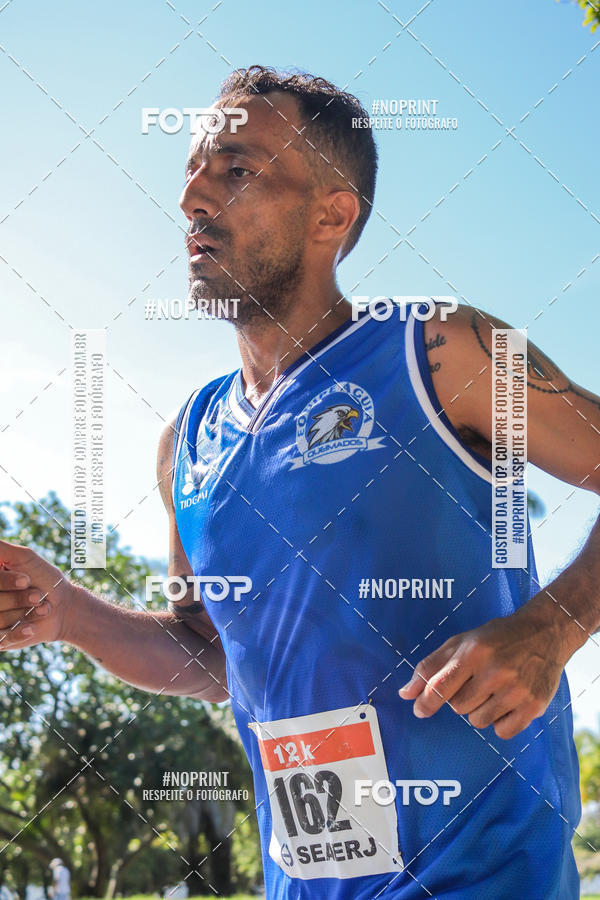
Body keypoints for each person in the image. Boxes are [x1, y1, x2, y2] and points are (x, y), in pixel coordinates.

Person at [1, 65, 599, 898]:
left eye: (238, 170)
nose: (193, 201)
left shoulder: (439, 352)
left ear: (332, 213)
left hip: (489, 878)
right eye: (193, 175)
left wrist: (553, 627)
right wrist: (68, 611)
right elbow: (212, 657)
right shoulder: (190, 440)